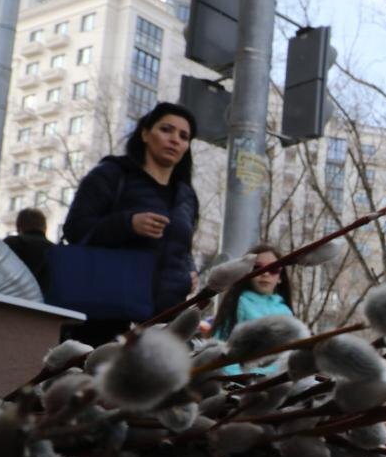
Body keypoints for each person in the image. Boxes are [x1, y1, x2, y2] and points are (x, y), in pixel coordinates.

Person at [61, 102, 200, 346]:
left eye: (184, 136)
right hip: (105, 316)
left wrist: (188, 271)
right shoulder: (111, 175)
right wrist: (127, 224)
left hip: (165, 321)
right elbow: (75, 229)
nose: (175, 140)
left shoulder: (187, 196)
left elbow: (181, 247)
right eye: (166, 130)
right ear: (145, 133)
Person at [210, 244, 296, 375]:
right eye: (257, 268)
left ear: (280, 277)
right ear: (248, 273)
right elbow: (220, 347)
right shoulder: (239, 303)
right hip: (241, 383)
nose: (265, 274)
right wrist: (234, 379)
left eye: (273, 269)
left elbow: (288, 355)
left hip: (276, 384)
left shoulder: (286, 312)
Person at [3, 207, 54, 294]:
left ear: (19, 226)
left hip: (13, 299)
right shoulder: (55, 250)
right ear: (44, 226)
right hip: (46, 304)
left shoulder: (12, 243)